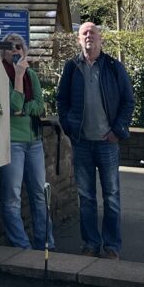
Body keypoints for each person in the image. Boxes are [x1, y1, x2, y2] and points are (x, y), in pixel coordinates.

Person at [57, 21, 135, 259]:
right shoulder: (72, 67)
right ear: (79, 40)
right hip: (82, 143)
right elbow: (62, 101)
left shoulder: (113, 67)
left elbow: (127, 101)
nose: (89, 36)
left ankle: (112, 246)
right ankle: (90, 243)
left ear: (101, 38)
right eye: (84, 33)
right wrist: (69, 128)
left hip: (107, 143)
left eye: (92, 33)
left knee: (111, 195)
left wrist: (117, 130)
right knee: (87, 196)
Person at [0, 33, 54, 251]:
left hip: (34, 140)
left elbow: (39, 106)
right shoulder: (0, 74)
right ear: (3, 52)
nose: (15, 50)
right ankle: (22, 247)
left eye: (19, 47)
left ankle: (46, 243)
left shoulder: (32, 75)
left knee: (39, 193)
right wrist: (18, 77)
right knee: (12, 196)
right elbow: (12, 106)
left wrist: (24, 109)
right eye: (10, 47)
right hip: (13, 142)